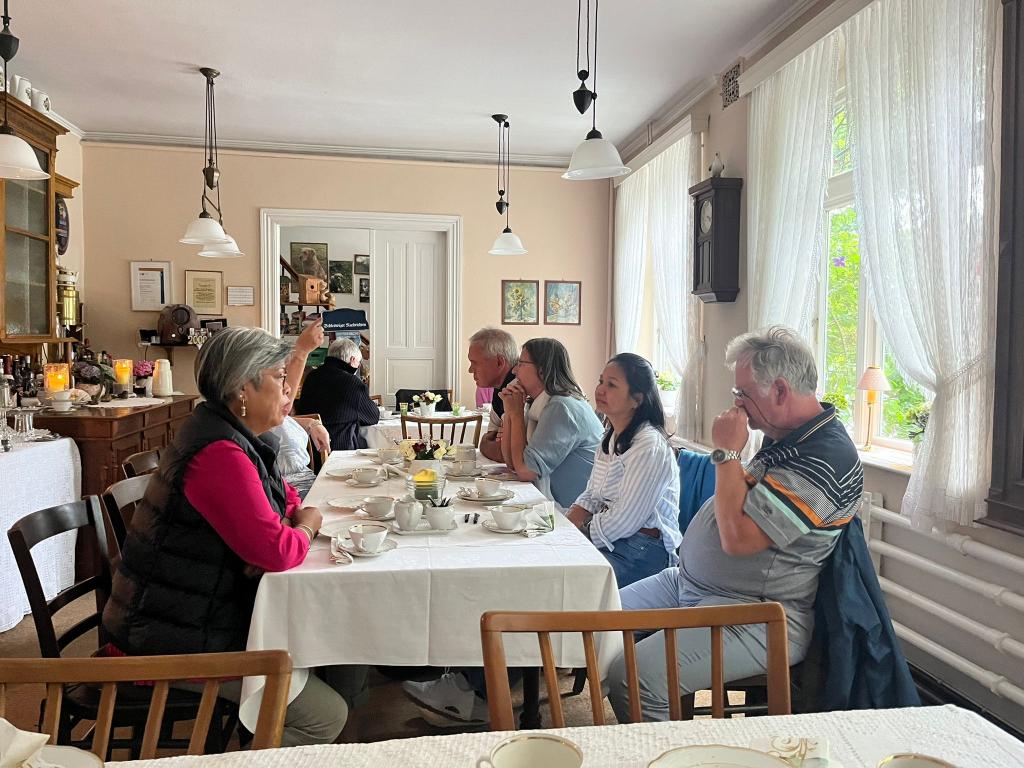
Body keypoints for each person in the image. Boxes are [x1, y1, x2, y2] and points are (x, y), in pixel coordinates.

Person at [102, 327, 355, 746]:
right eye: (279, 376)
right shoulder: (218, 453)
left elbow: (285, 500)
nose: (289, 388)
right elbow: (278, 550)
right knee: (324, 717)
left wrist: (287, 523)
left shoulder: (230, 433)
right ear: (242, 387)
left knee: (340, 644)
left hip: (195, 615)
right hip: (166, 641)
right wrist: (307, 525)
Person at [604, 326, 864, 722]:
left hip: (753, 613)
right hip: (692, 584)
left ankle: (673, 750)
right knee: (594, 620)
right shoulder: (787, 436)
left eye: (743, 392)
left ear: (780, 390)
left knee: (633, 677)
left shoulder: (826, 457)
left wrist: (726, 452)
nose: (737, 403)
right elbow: (742, 500)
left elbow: (740, 539)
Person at [567, 353, 681, 588]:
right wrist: (569, 522)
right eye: (601, 381)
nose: (600, 390)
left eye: (611, 385)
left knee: (570, 583)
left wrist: (580, 532)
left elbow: (626, 520)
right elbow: (592, 494)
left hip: (642, 551)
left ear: (636, 399)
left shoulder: (649, 445)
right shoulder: (610, 437)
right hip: (615, 540)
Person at [499, 338, 603, 507]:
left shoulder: (562, 406)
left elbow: (526, 471)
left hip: (576, 509)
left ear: (542, 370)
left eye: (521, 363)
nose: (514, 370)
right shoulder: (540, 402)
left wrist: (516, 415)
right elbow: (511, 463)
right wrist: (510, 413)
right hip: (561, 501)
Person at [266, 319, 330, 498]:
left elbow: (281, 416)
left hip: (306, 485)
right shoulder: (239, 430)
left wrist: (311, 423)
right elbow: (281, 410)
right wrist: (301, 352)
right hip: (293, 494)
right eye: (280, 376)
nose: (287, 388)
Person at [294, 336, 379, 450]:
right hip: (341, 449)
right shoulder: (352, 383)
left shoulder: (312, 376)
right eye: (358, 363)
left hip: (310, 448)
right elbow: (373, 417)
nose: (358, 366)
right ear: (352, 360)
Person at [466, 327, 517, 461]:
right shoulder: (500, 389)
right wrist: (487, 443)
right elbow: (492, 437)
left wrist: (485, 444)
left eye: (475, 363)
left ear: (499, 362)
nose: (470, 370)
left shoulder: (517, 390)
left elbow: (504, 454)